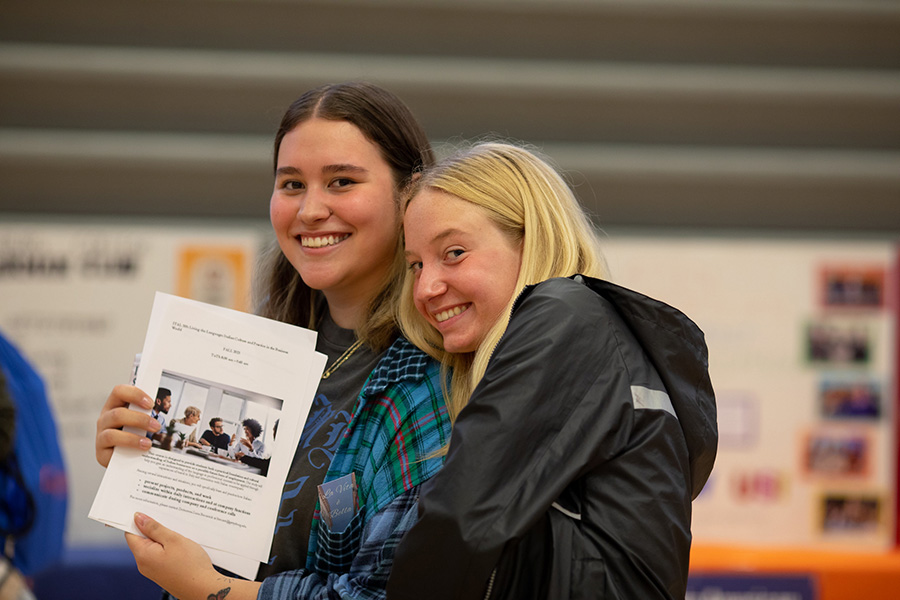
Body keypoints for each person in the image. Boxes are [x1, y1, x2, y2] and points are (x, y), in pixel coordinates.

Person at [93, 82, 451, 599]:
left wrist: (211, 591)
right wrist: (141, 469)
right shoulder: (263, 352)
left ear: (409, 193)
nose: (309, 210)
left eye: (342, 182)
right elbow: (203, 547)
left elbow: (386, 594)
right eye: (291, 185)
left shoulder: (430, 378)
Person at [387, 142, 718, 599]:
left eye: (454, 252)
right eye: (416, 265)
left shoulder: (564, 315)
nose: (426, 287)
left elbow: (462, 520)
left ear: (532, 239)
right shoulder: (596, 333)